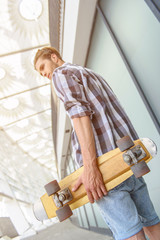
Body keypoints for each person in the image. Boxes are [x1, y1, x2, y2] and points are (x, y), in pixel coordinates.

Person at [34, 47, 160, 240]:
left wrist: (90, 169)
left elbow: (80, 116)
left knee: (131, 234)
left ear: (54, 57)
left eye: (43, 67)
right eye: (41, 73)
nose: (45, 74)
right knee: (151, 222)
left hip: (105, 173)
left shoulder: (61, 74)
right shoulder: (91, 74)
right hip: (128, 161)